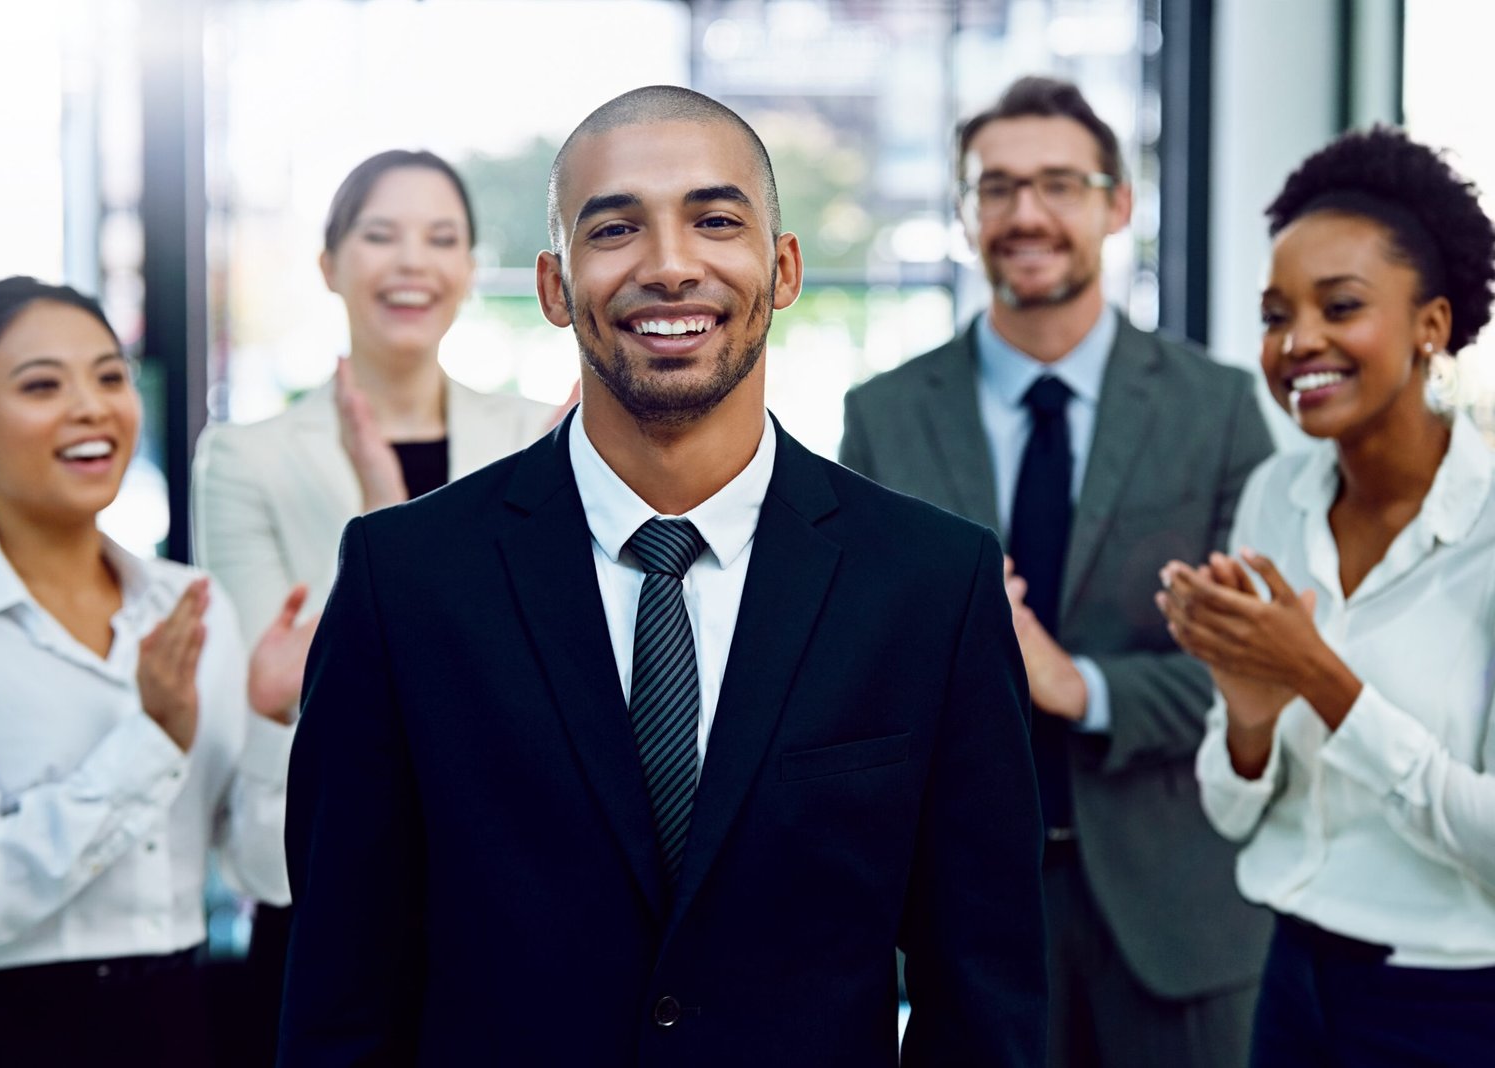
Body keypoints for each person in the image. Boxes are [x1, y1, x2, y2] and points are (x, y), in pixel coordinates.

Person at [278, 85, 1046, 1066]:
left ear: (783, 267)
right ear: (555, 287)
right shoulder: (404, 582)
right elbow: (342, 995)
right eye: (615, 229)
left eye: (715, 221)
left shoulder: (931, 583)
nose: (671, 265)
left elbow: (985, 1000)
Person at [840, 75, 1274, 1067]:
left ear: (1117, 205)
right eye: (995, 187)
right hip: (958, 923)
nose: (1025, 214)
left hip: (1179, 924)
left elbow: (1254, 673)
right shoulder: (883, 417)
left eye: (1059, 184)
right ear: (964, 213)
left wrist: (1075, 683)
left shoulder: (1217, 411)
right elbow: (852, 669)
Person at [190, 148, 558, 1060]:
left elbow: (555, 681)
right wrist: (391, 527)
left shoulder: (534, 439)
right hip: (323, 884)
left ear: (469, 266)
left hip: (510, 887)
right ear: (329, 264)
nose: (413, 262)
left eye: (442, 238)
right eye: (381, 235)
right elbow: (279, 689)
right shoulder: (246, 458)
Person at [0, 277, 311, 1067]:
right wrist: (151, 739)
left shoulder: (192, 605)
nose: (91, 407)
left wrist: (270, 719)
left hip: (176, 1021)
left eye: (109, 377)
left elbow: (265, 872)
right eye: (42, 386)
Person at [1159, 126, 1495, 1067]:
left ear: (1432, 324)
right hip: (1289, 979)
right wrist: (1250, 713)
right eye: (1275, 316)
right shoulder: (1277, 495)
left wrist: (1320, 679)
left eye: (1340, 306)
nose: (1297, 341)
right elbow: (1233, 814)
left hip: (1454, 1004)